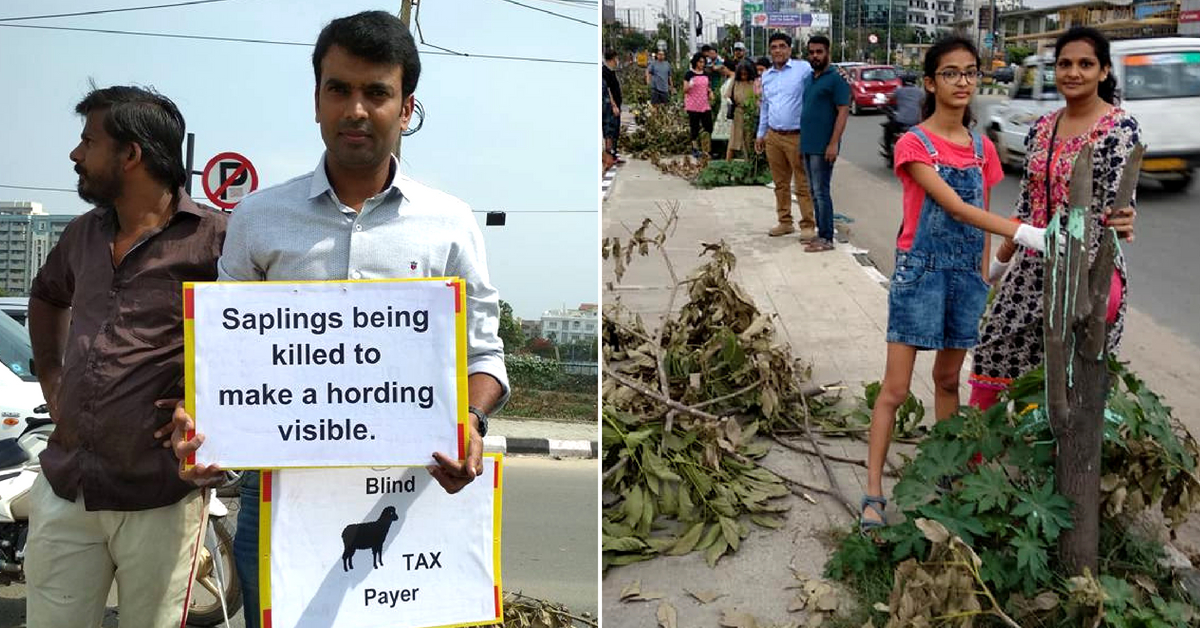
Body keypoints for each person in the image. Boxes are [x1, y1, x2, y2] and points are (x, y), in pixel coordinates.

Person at [168, 11, 510, 626]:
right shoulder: (257, 219)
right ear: (317, 101)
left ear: (406, 108)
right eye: (339, 89)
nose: (356, 109)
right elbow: (226, 361)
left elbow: (484, 356)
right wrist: (203, 430)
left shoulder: (451, 223)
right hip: (278, 506)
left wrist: (472, 421)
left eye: (377, 92)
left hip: (415, 504)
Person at [26, 85, 228, 627]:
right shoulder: (81, 235)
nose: (75, 155)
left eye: (88, 141)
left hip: (160, 494)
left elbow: (259, 341)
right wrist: (50, 376)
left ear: (131, 154)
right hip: (68, 486)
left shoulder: (215, 242)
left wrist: (203, 402)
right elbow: (47, 297)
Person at [860, 37, 1050, 531]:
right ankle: (873, 491)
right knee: (896, 390)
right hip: (919, 272)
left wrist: (986, 273)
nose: (962, 82)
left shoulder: (984, 147)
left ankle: (947, 477)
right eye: (950, 73)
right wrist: (1028, 233)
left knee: (948, 380)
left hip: (966, 278)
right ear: (930, 82)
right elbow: (957, 208)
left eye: (969, 72)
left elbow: (980, 218)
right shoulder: (913, 143)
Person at [969, 27, 1140, 409]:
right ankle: (977, 455)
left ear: (1104, 71)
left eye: (1085, 64)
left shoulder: (1119, 127)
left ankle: (1058, 462)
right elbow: (1027, 203)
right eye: (1065, 64)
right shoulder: (1043, 127)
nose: (1073, 72)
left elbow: (1122, 204)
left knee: (1072, 378)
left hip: (1089, 265)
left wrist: (1127, 220)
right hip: (1033, 262)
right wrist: (999, 264)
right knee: (992, 350)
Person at [754, 32, 816, 240]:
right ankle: (785, 222)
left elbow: (818, 86)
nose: (778, 50)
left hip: (797, 136)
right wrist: (760, 134)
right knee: (780, 183)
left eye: (782, 46)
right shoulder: (767, 76)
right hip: (774, 136)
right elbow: (765, 106)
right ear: (770, 51)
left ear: (790, 49)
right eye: (774, 47)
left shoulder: (803, 69)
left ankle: (808, 224)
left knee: (802, 183)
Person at [799, 35, 851, 252]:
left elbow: (843, 112)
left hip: (824, 147)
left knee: (821, 192)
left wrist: (833, 144)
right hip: (808, 146)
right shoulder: (810, 78)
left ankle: (826, 237)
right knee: (813, 191)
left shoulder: (836, 79)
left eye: (819, 52)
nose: (815, 56)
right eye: (811, 52)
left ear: (828, 53)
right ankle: (821, 233)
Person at [683, 52, 714, 159]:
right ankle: (695, 148)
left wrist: (710, 93)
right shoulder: (689, 74)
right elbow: (685, 90)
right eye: (700, 62)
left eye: (703, 62)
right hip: (693, 104)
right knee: (694, 127)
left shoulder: (705, 74)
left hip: (704, 103)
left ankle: (707, 149)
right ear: (695, 62)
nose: (702, 64)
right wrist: (690, 85)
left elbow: (707, 87)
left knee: (708, 126)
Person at [726, 61, 758, 160]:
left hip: (750, 113)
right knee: (734, 139)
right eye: (742, 74)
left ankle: (747, 163)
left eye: (746, 74)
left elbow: (757, 98)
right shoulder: (735, 81)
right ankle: (727, 163)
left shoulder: (754, 83)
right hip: (738, 113)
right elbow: (727, 95)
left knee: (748, 139)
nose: (744, 76)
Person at [603, 50, 624, 163]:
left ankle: (614, 154)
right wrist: (614, 105)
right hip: (610, 107)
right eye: (616, 58)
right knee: (610, 131)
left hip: (616, 105)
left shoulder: (611, 71)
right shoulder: (604, 72)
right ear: (613, 59)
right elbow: (607, 90)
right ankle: (609, 155)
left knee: (615, 131)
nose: (617, 61)